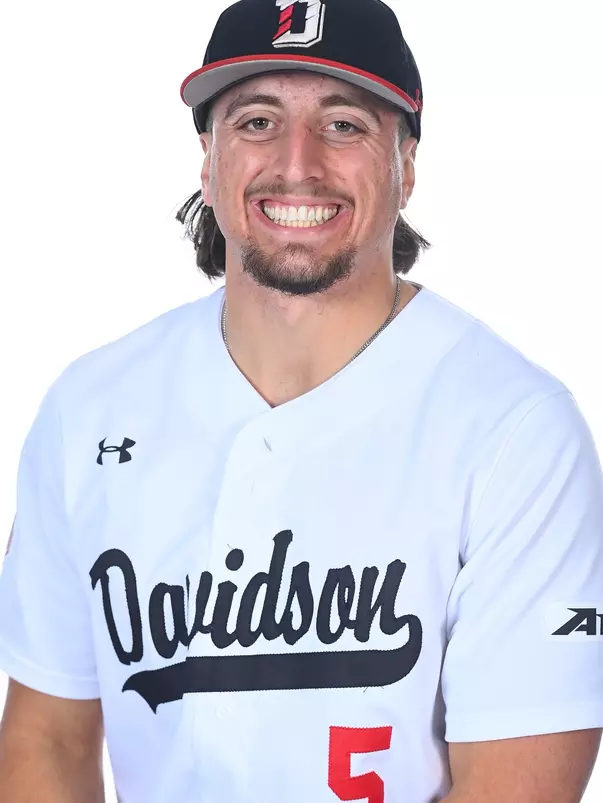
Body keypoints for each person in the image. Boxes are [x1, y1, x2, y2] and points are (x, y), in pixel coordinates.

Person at [0, 0, 602, 800]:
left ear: (406, 161)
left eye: (344, 124)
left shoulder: (514, 430)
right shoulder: (90, 408)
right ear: (206, 159)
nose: (298, 162)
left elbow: (515, 784)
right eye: (254, 121)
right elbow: (47, 735)